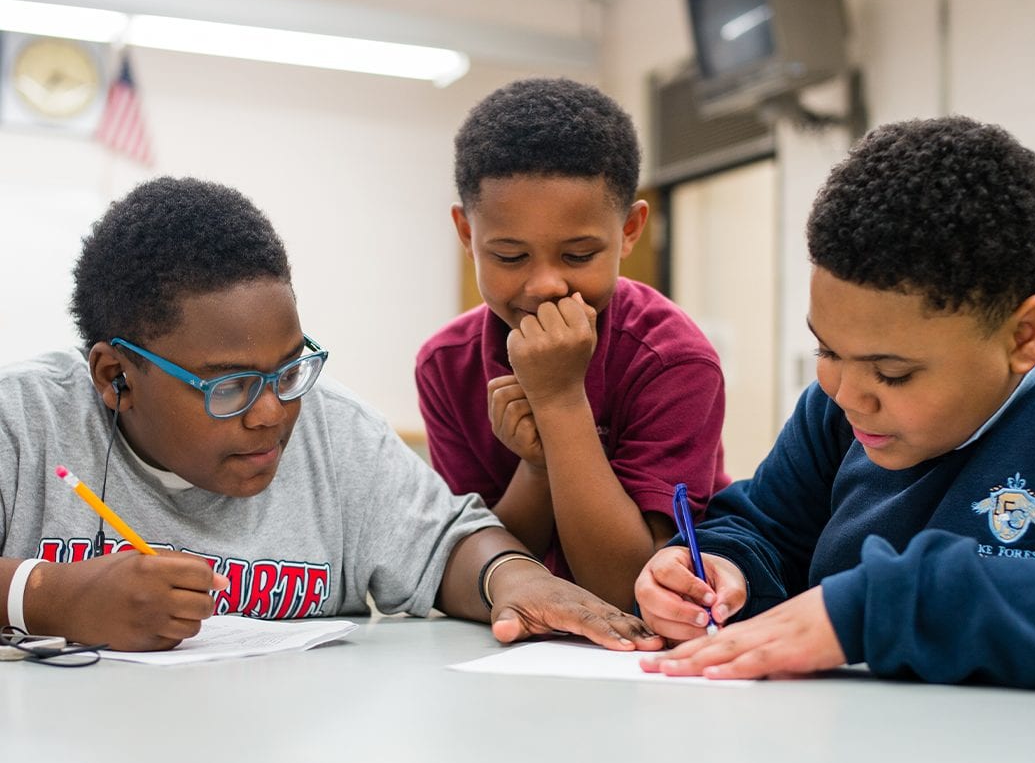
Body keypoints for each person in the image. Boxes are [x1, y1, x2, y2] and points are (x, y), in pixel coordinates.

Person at [0, 176, 664, 654]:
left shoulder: (332, 430)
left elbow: (448, 544)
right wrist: (47, 595)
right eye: (227, 387)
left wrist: (514, 579)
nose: (271, 414)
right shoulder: (25, 421)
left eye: (289, 370)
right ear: (118, 378)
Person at [636, 115, 1035, 689]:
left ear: (1024, 335)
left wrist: (883, 606)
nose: (845, 394)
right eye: (827, 349)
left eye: (892, 372)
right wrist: (718, 568)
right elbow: (767, 526)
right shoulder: (841, 407)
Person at [416, 77, 729, 612]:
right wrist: (537, 469)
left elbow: (628, 586)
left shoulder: (673, 360)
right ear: (467, 234)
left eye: (579, 255)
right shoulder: (447, 364)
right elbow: (469, 566)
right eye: (510, 257)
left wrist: (560, 403)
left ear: (629, 230)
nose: (544, 286)